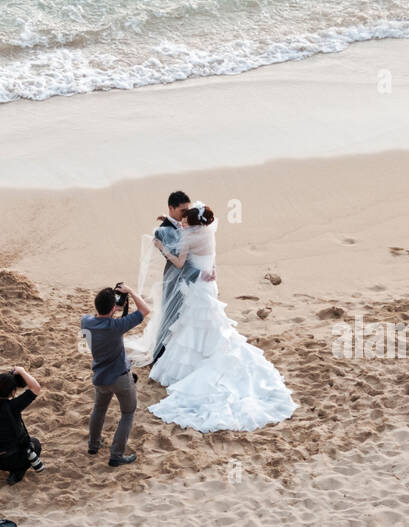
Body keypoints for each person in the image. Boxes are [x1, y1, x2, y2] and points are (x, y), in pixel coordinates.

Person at [147, 204, 296, 432]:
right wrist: (170, 220)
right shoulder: (207, 232)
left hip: (197, 287)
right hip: (209, 284)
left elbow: (178, 262)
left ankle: (196, 365)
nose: (182, 223)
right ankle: (209, 353)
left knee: (193, 324)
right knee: (211, 323)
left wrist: (160, 246)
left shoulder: (188, 238)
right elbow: (198, 244)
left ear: (192, 223)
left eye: (185, 220)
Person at [82, 282, 151, 467]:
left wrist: (112, 309)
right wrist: (130, 292)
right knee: (128, 413)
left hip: (100, 378)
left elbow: (98, 318)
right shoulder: (117, 326)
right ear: (114, 308)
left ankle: (93, 445)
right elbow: (145, 310)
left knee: (99, 409)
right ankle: (116, 455)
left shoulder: (86, 322)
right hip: (120, 378)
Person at [148, 190, 198, 363]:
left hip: (191, 279)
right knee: (170, 316)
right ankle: (160, 356)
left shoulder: (181, 223)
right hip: (175, 279)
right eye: (182, 211)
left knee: (187, 316)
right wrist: (161, 245)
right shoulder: (162, 232)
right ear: (171, 208)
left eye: (188, 210)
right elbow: (176, 257)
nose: (187, 215)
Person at [0, 366, 43, 485]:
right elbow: (36, 387)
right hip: (11, 460)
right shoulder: (14, 406)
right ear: (13, 391)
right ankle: (16, 473)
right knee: (35, 444)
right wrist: (22, 371)